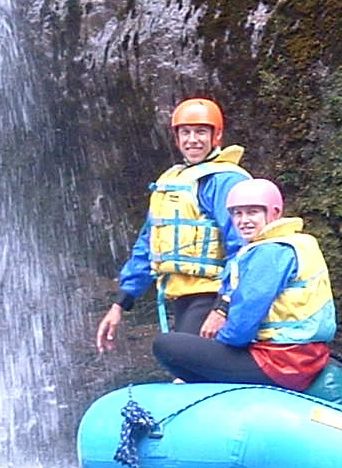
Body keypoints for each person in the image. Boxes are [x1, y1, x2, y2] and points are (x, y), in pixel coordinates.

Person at [151, 178, 338, 391]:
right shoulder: (295, 242)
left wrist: (215, 347)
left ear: (274, 213)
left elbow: (243, 323)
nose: (244, 220)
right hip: (303, 357)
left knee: (165, 345)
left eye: (253, 212)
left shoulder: (270, 252)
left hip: (280, 363)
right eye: (237, 213)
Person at [95, 97, 247, 351]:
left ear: (216, 135)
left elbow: (242, 247)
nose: (193, 140)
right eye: (185, 133)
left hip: (211, 295)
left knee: (185, 365)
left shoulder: (223, 181)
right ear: (176, 138)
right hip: (180, 296)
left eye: (201, 132)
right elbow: (148, 245)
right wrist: (120, 303)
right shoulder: (171, 181)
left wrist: (223, 307)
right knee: (179, 360)